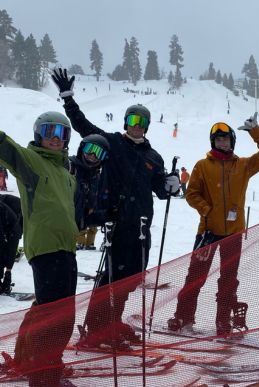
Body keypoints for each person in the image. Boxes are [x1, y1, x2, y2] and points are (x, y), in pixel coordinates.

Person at [51, 68, 180, 347]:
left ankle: (111, 321)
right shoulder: (113, 143)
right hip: (116, 221)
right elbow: (84, 127)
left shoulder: (153, 157)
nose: (136, 125)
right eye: (132, 120)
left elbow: (159, 189)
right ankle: (97, 327)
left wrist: (170, 185)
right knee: (111, 277)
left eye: (141, 121)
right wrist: (68, 98)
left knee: (132, 277)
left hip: (141, 226)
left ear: (146, 126)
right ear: (125, 122)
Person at [168, 113, 259, 335]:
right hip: (207, 232)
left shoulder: (244, 165)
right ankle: (183, 317)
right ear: (213, 142)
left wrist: (255, 130)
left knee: (228, 280)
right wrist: (207, 210)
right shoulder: (202, 166)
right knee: (195, 277)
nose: (222, 143)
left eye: (225, 139)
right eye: (218, 140)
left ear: (232, 141)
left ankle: (223, 321)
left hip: (233, 234)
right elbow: (192, 194)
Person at [0, 111, 79, 387]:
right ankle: (42, 386)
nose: (55, 139)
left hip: (66, 249)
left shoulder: (67, 175)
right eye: (49, 132)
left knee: (64, 319)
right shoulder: (31, 162)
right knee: (52, 321)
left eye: (61, 133)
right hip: (46, 250)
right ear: (38, 135)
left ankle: (50, 373)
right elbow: (5, 146)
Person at [69, 134, 111, 251]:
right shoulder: (69, 167)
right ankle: (82, 243)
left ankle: (88, 243)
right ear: (82, 149)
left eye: (98, 153)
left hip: (79, 223)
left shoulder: (96, 176)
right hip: (61, 227)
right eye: (89, 150)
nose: (93, 156)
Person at [0, 194, 22, 294]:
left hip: (13, 223)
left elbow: (10, 246)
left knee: (7, 248)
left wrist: (8, 272)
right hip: (11, 218)